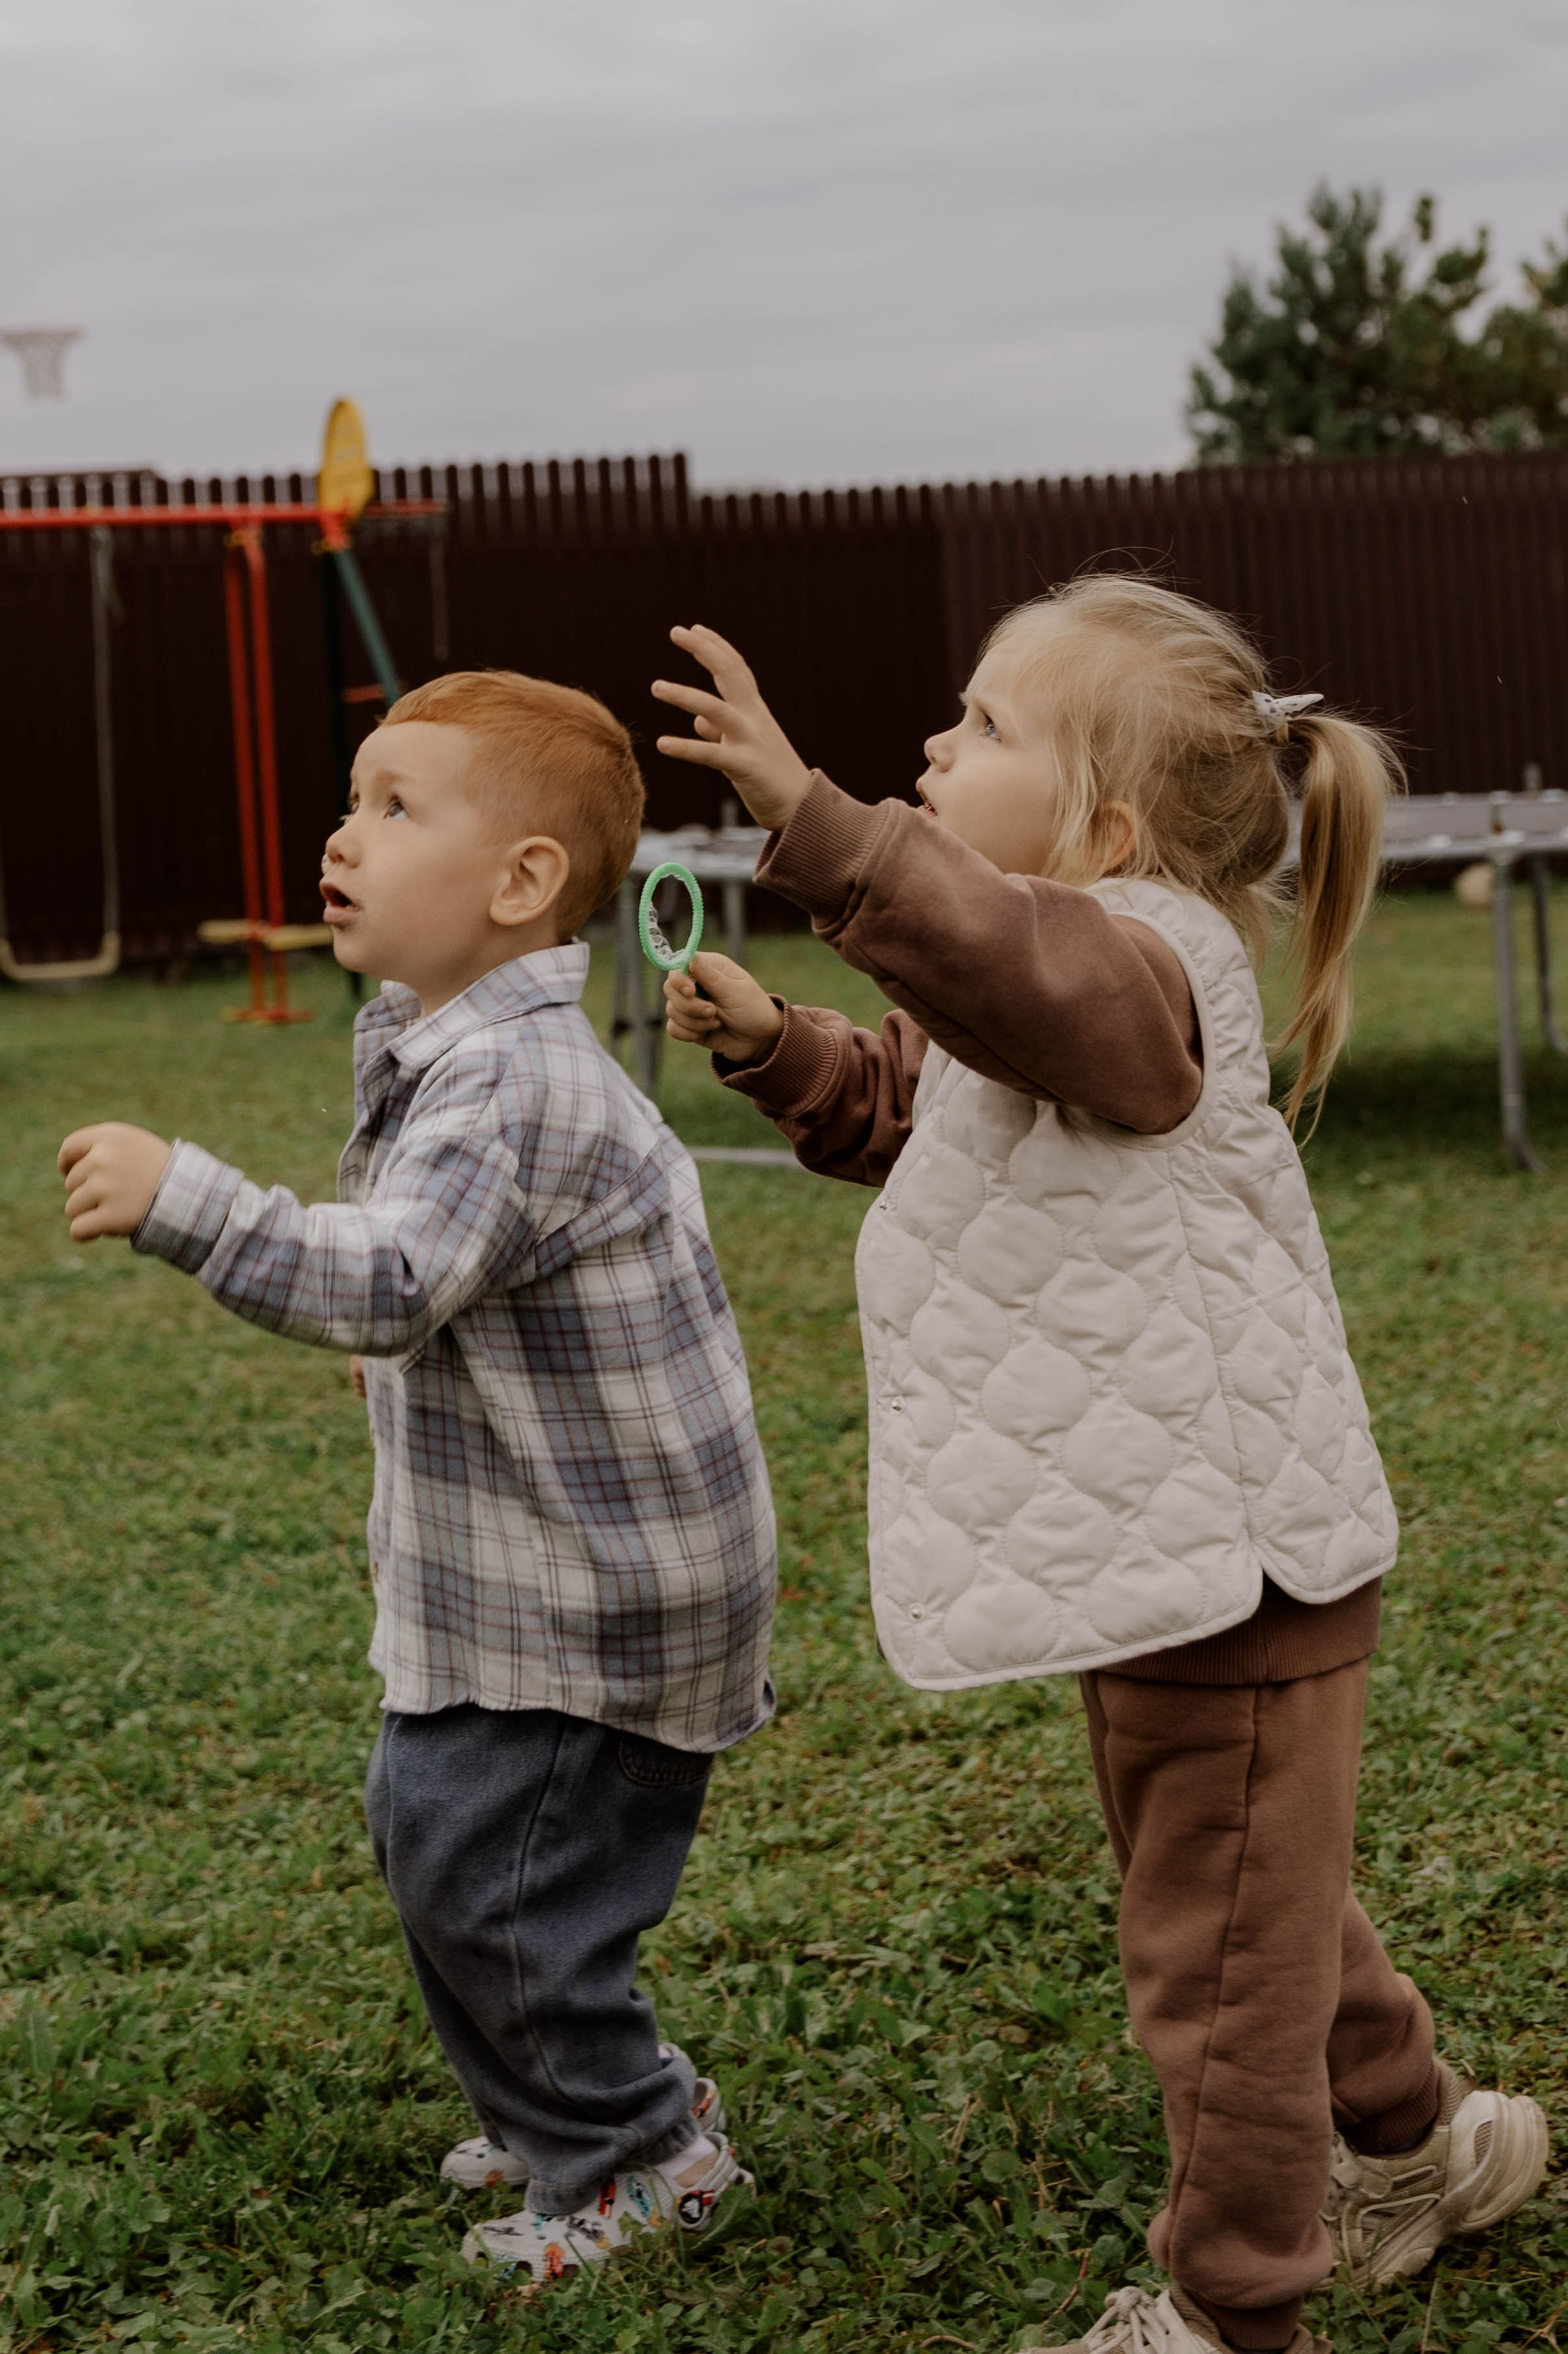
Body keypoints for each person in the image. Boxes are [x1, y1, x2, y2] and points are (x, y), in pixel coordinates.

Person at [651, 583, 1548, 2354]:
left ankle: (1231, 2312)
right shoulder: (1058, 984)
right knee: (1247, 1903)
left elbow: (1013, 977)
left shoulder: (1144, 967)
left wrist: (815, 817)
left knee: (1210, 1963)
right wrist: (784, 1052)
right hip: (1178, 1556)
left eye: (984, 731)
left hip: (1235, 1560)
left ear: (1110, 834)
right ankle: (1426, 2140)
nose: (934, 750)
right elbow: (927, 1101)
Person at [56, 670, 773, 2284]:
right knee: (435, 1835)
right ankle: (563, 2096)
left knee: (491, 1874)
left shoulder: (516, 1084)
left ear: (520, 883)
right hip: (523, 1565)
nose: (343, 834)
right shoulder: (446, 1042)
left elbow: (385, 1282)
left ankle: (638, 2155)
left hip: (597, 1590)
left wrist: (191, 1201)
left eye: (396, 808)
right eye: (352, 799)